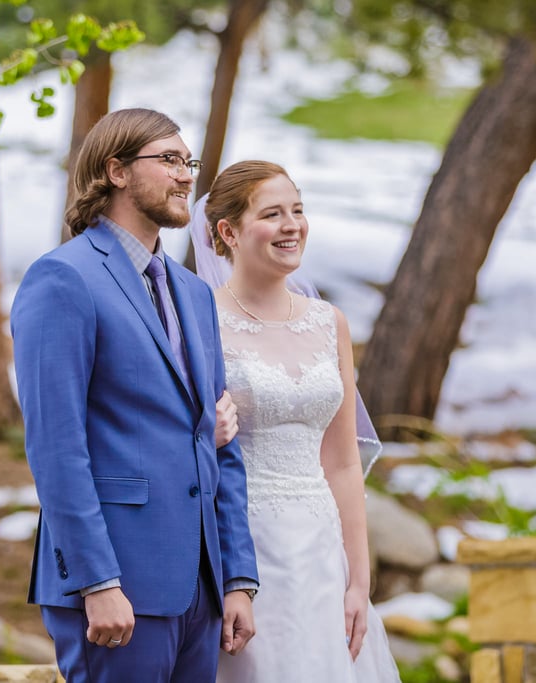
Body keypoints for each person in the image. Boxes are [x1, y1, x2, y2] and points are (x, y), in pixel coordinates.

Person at [10, 108, 259, 682]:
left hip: (201, 589)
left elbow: (220, 440)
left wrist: (237, 577)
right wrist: (98, 581)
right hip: (116, 587)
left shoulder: (196, 294)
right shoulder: (63, 279)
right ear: (117, 170)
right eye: (169, 160)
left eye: (188, 161)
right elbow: (56, 448)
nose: (186, 175)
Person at [191, 160, 400, 682]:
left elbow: (343, 462)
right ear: (228, 232)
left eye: (298, 210)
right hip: (245, 545)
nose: (292, 225)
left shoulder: (329, 323)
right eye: (273, 214)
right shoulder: (201, 319)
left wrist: (358, 579)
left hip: (322, 551)